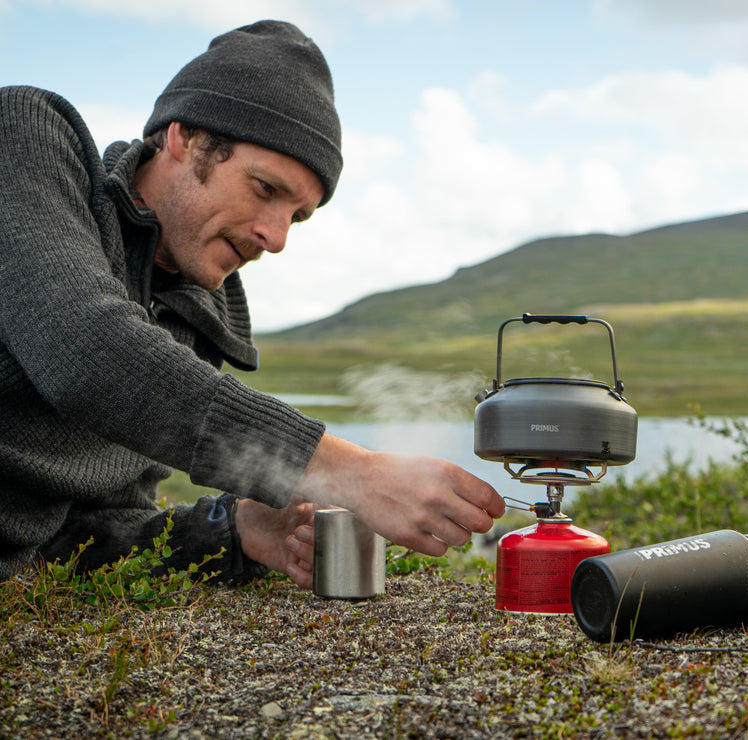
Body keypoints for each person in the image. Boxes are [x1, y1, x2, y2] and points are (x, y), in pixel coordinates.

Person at [0, 20, 504, 587]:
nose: (276, 237)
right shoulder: (25, 137)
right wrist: (350, 474)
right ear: (182, 136)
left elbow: (80, 542)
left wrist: (237, 529)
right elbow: (86, 350)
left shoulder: (195, 319)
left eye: (297, 216)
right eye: (265, 188)